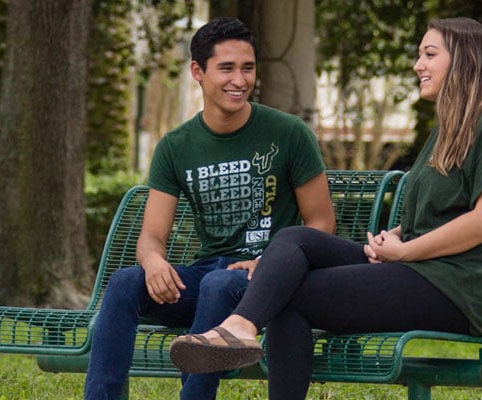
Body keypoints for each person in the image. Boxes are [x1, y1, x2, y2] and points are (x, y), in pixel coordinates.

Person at [168, 17, 482, 400]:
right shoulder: (448, 130)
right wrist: (394, 237)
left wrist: (405, 251)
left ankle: (239, 328)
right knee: (296, 238)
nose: (418, 66)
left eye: (429, 54)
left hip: (455, 289)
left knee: (292, 295)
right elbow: (440, 212)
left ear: (465, 60)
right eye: (419, 56)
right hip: (419, 270)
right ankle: (241, 326)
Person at [83, 18, 336, 400]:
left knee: (220, 283)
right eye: (227, 68)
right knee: (123, 284)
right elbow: (152, 236)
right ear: (197, 72)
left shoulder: (288, 133)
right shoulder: (176, 146)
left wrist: (273, 262)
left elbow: (321, 223)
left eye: (248, 68)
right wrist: (153, 263)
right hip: (207, 275)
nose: (240, 79)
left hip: (264, 281)